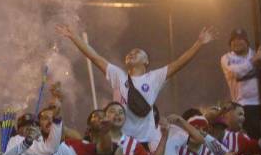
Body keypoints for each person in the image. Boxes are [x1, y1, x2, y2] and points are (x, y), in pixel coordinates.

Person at [56, 23, 217, 143]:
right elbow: (94, 57)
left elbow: (180, 62)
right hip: (121, 141)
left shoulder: (154, 77)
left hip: (146, 141)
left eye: (137, 53)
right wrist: (73, 37)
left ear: (146, 61)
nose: (132, 53)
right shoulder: (118, 75)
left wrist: (199, 43)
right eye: (130, 52)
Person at [220, 28, 261, 155]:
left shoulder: (255, 53)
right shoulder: (227, 58)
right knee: (255, 135)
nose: (237, 42)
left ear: (247, 41)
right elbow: (237, 72)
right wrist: (254, 60)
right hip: (245, 103)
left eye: (240, 39)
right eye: (233, 40)